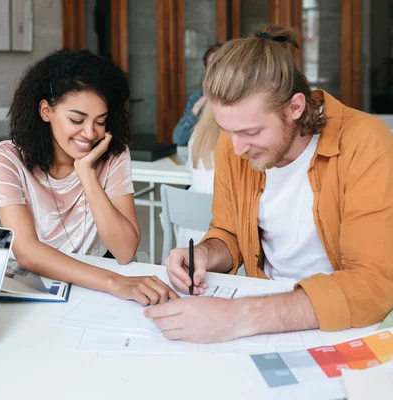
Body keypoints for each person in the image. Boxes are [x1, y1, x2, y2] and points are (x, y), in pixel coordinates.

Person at [146, 25, 393, 343]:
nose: (236, 148)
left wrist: (237, 316)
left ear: (295, 107)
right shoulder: (233, 144)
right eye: (226, 129)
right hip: (269, 316)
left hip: (345, 325)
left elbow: (372, 283)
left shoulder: (366, 142)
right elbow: (229, 233)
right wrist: (206, 255)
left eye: (250, 132)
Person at [0, 49, 178, 306]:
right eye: (77, 119)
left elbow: (124, 251)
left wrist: (86, 174)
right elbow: (27, 252)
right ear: (46, 111)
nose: (90, 133)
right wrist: (115, 282)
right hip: (35, 285)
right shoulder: (7, 159)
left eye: (100, 121)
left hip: (93, 285)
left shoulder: (114, 155)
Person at [170, 106, 222, 248]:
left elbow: (191, 168)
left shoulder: (197, 134)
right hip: (226, 239)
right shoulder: (241, 138)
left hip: (189, 238)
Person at [172, 43, 223, 146]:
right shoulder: (196, 99)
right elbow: (178, 139)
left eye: (220, 64)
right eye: (212, 65)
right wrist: (199, 105)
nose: (216, 69)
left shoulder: (238, 98)